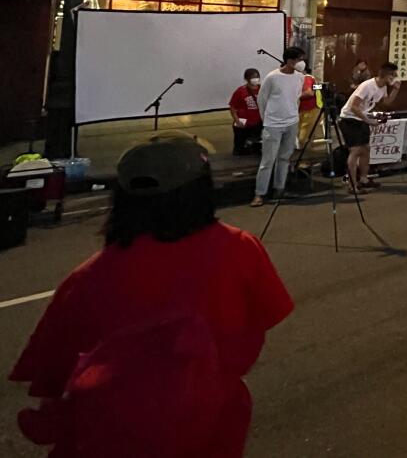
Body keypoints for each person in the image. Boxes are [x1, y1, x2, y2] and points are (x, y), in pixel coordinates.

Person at [10, 135, 293, 458]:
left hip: (104, 436)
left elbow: (53, 378)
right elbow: (259, 324)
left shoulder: (88, 278)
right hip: (210, 427)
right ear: (201, 192)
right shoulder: (239, 249)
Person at [251, 46, 306, 208]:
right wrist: (266, 119)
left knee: (284, 158)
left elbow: (296, 98)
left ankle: (279, 189)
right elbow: (262, 100)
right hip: (273, 124)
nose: (301, 63)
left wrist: (293, 115)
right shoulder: (272, 78)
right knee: (268, 160)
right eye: (299, 59)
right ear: (289, 61)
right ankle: (259, 193)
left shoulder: (299, 77)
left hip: (291, 122)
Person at [338, 62, 400, 194]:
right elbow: (354, 106)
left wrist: (395, 89)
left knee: (365, 149)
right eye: (393, 75)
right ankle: (352, 184)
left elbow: (386, 102)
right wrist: (368, 121)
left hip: (362, 118)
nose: (395, 78)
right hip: (349, 119)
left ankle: (364, 179)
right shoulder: (367, 85)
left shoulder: (382, 87)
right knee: (355, 150)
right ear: (386, 75)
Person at [228, 68, 262, 156]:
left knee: (256, 145)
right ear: (246, 79)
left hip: (257, 123)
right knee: (239, 146)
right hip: (243, 123)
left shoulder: (262, 89)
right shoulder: (240, 91)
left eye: (257, 77)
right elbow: (232, 107)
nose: (256, 79)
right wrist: (237, 120)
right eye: (253, 77)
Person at [296, 59, 320, 145]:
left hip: (309, 108)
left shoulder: (306, 78)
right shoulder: (311, 78)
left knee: (303, 133)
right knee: (306, 131)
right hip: (311, 107)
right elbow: (317, 88)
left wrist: (293, 97)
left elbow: (309, 92)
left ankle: (302, 148)